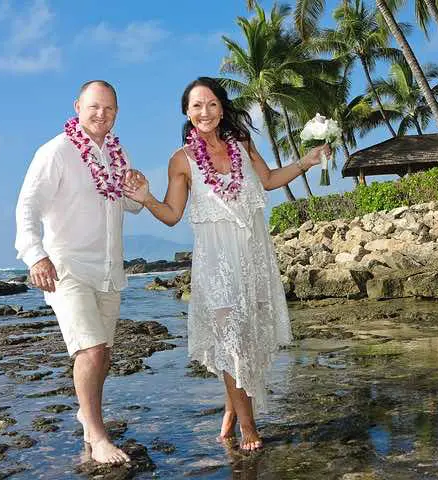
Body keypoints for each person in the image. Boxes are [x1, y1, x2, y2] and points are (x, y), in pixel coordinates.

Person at [122, 77, 327, 451]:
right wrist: (147, 198)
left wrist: (306, 161)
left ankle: (233, 409)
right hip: (216, 263)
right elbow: (171, 215)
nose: (205, 112)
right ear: (187, 111)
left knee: (249, 337)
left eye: (212, 104)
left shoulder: (242, 144)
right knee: (232, 342)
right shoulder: (181, 160)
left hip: (253, 256)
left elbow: (268, 180)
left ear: (222, 108)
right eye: (197, 105)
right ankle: (249, 426)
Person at [15, 80, 146, 464]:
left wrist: (139, 190)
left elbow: (127, 205)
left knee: (103, 352)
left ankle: (88, 417)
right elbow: (27, 207)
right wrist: (35, 256)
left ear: (117, 113)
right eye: (94, 107)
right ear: (77, 106)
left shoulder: (116, 154)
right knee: (89, 350)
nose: (101, 114)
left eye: (109, 108)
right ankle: (97, 435)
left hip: (108, 268)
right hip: (66, 267)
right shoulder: (55, 151)